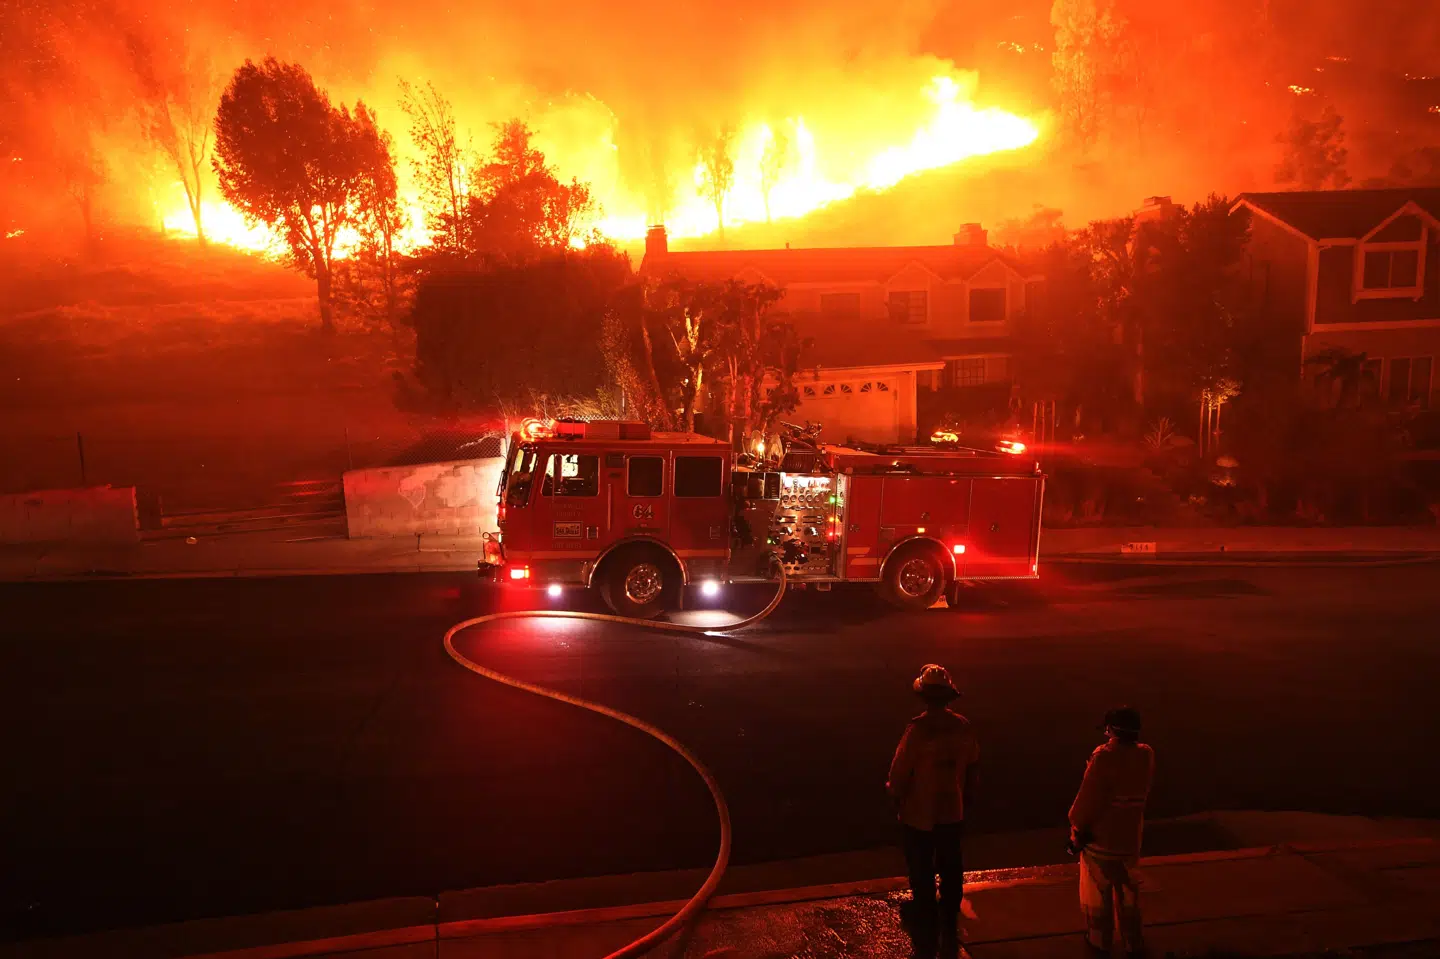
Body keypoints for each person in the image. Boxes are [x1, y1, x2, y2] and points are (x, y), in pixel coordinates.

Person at [887, 664, 981, 959]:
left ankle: (925, 908)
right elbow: (973, 764)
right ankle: (950, 906)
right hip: (952, 807)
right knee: (951, 860)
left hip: (920, 809)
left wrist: (895, 793)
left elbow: (900, 770)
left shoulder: (917, 729)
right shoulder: (963, 726)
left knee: (920, 862)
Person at [1068, 706, 1155, 959]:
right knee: (1129, 893)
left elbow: (1088, 800)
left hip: (1101, 840)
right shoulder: (1147, 754)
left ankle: (1100, 941)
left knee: (1098, 892)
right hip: (1129, 838)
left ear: (1111, 730)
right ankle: (1133, 942)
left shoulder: (1104, 757)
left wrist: (1077, 830)